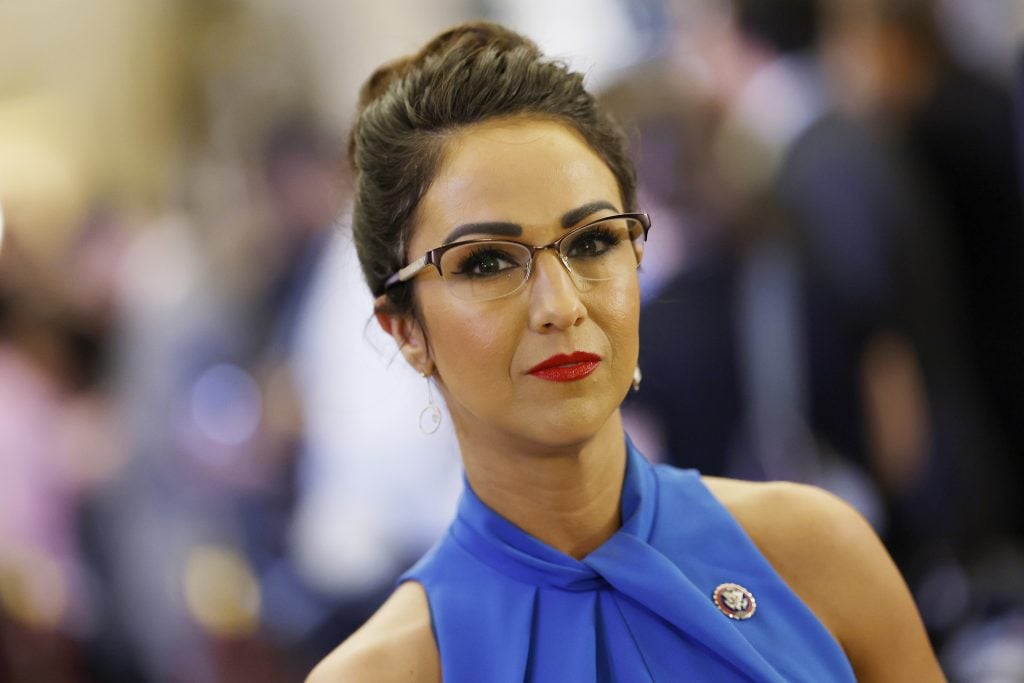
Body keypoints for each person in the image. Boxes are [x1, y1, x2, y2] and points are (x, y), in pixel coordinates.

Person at [307, 20, 944, 682]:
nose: (561, 306)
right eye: (488, 261)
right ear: (405, 329)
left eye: (591, 242)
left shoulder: (814, 550)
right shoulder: (386, 670)